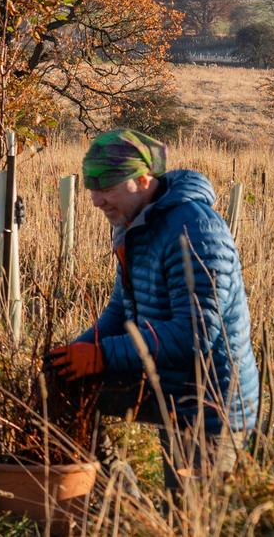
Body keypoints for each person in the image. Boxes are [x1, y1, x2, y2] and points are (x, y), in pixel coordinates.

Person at [45, 130, 259, 495]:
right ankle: (122, 504)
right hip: (165, 382)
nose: (96, 200)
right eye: (91, 189)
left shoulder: (195, 230)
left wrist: (101, 356)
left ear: (143, 180)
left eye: (107, 188)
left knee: (190, 517)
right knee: (62, 389)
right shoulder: (135, 225)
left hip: (209, 402)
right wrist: (73, 354)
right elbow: (121, 311)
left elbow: (195, 334)